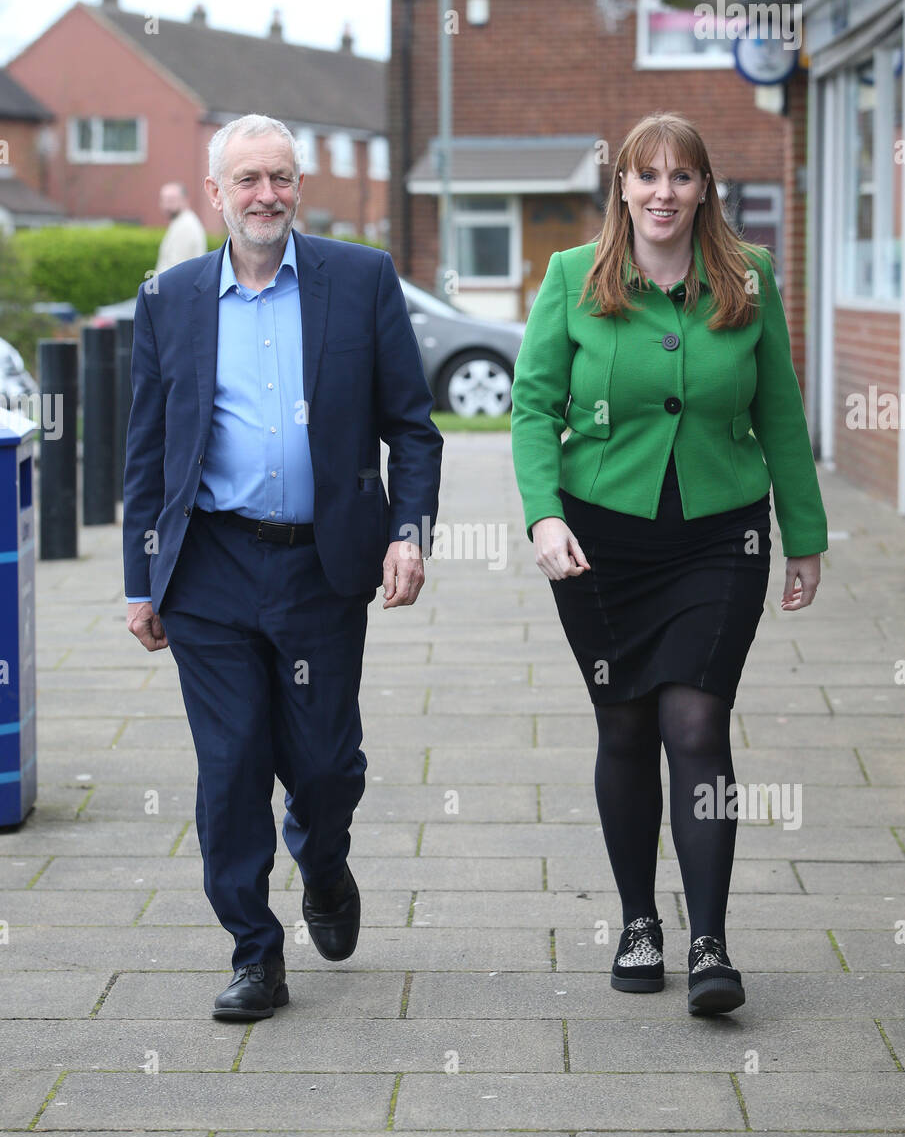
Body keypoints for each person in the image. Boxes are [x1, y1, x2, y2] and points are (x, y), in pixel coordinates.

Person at [123, 113, 442, 1021]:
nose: (268, 195)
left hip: (322, 567)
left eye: (282, 178)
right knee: (229, 766)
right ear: (216, 193)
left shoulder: (360, 279)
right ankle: (255, 952)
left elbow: (411, 428)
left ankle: (323, 854)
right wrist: (141, 582)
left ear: (298, 187)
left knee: (326, 764)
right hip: (211, 569)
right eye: (248, 180)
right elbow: (145, 454)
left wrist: (408, 532)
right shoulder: (171, 297)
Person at [511, 112, 826, 1017]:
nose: (661, 192)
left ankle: (711, 943)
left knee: (695, 725)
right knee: (625, 728)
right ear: (620, 187)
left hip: (721, 536)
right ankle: (639, 920)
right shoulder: (574, 277)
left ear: (703, 189)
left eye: (680, 177)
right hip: (601, 538)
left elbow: (778, 411)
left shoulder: (747, 276)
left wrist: (803, 534)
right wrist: (540, 517)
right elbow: (532, 409)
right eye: (644, 176)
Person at [155, 182, 207, 272]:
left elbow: (176, 268)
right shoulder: (180, 222)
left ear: (185, 200)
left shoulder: (186, 226)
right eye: (163, 200)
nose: (166, 205)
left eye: (171, 200)